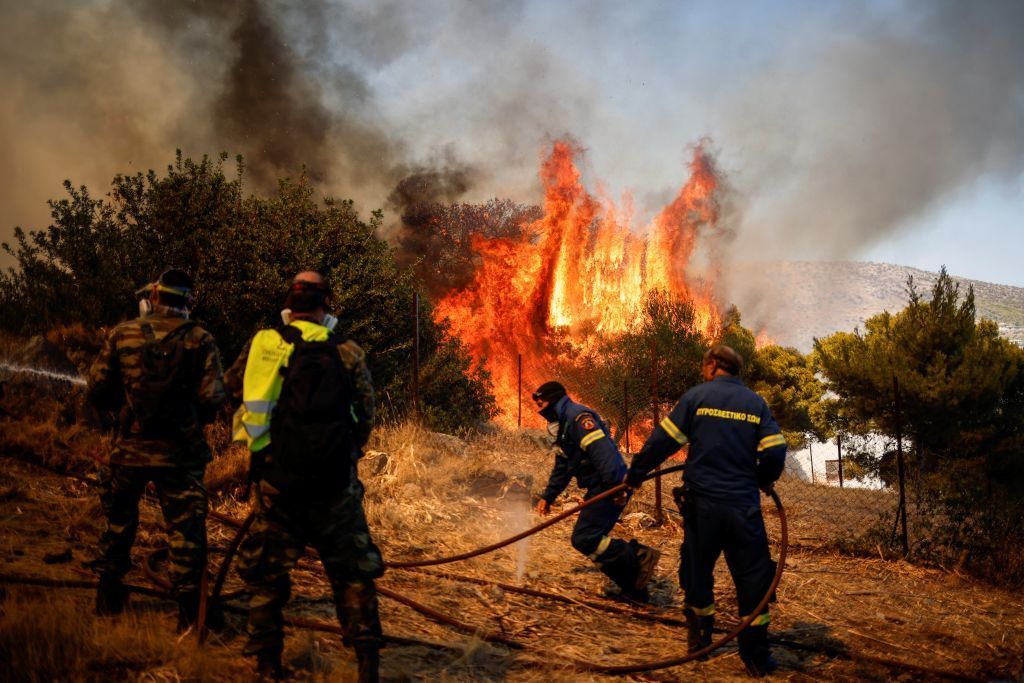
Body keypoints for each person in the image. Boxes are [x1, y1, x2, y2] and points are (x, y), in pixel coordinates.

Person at [226, 271, 383, 681]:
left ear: (288, 304)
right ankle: (367, 663)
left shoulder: (264, 344)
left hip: (279, 482)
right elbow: (366, 414)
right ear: (326, 303)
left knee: (266, 575)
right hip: (335, 486)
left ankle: (266, 663)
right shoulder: (347, 351)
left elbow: (230, 388)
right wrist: (346, 454)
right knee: (354, 573)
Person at [625, 345, 787, 677]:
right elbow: (775, 450)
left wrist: (636, 473)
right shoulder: (755, 403)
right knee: (754, 577)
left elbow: (662, 442)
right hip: (743, 507)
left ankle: (700, 641)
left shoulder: (697, 397)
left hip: (704, 507)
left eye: (704, 366)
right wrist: (763, 478)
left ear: (712, 365)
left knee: (698, 570)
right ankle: (756, 656)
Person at [86, 268, 226, 630]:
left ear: (154, 296)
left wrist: (125, 407)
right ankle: (188, 618)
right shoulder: (200, 338)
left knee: (118, 525)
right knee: (185, 534)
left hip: (129, 450)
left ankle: (107, 599)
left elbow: (98, 388)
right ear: (188, 302)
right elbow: (213, 399)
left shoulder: (124, 333)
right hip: (181, 455)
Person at [532, 381, 661, 602]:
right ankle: (635, 590)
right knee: (592, 540)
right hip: (601, 485)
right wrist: (548, 496)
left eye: (541, 403)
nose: (539, 409)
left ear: (552, 400)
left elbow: (604, 454)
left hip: (609, 484)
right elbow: (563, 467)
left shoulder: (578, 418)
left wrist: (614, 488)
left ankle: (639, 555)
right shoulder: (564, 424)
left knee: (585, 538)